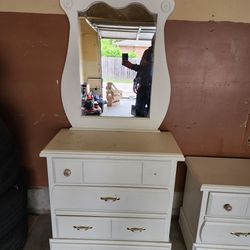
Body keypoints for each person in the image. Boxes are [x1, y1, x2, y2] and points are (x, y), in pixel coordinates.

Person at [122, 35, 155, 117]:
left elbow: (146, 68)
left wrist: (130, 66)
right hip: (146, 85)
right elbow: (143, 67)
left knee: (141, 111)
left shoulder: (151, 53)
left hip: (147, 87)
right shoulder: (148, 52)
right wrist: (136, 80)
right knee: (146, 111)